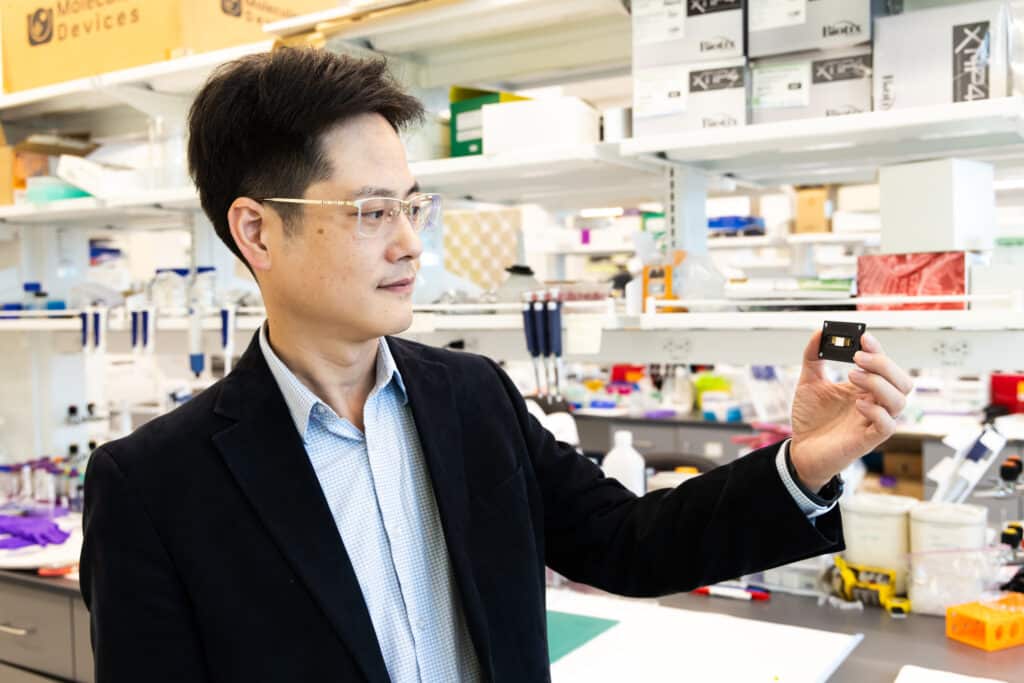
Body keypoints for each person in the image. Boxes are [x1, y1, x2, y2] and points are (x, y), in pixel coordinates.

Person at [80, 48, 913, 683]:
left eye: (411, 205)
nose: (410, 241)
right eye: (372, 212)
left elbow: (630, 543)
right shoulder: (155, 484)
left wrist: (807, 460)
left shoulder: (470, 397)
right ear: (257, 232)